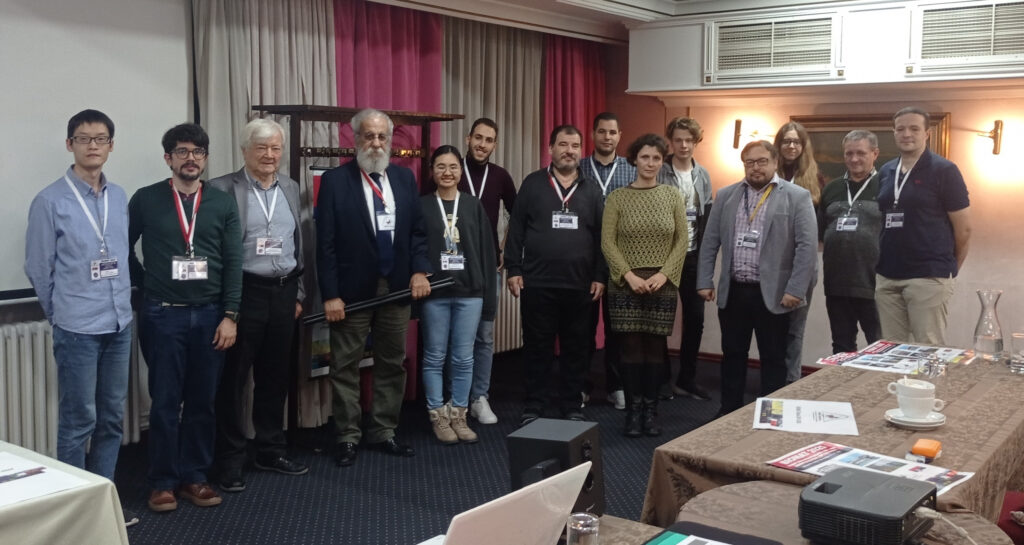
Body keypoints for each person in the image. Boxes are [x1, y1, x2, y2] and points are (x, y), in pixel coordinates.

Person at [24, 109, 138, 527]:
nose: (93, 146)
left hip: (119, 323)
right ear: (69, 144)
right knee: (77, 422)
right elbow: (39, 268)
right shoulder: (49, 201)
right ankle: (74, 516)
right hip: (77, 328)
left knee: (111, 419)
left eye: (101, 138)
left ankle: (102, 507)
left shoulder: (119, 196)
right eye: (84, 138)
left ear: (111, 145)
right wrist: (61, 314)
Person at [128, 123, 243, 512]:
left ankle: (195, 477)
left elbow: (233, 262)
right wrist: (146, 283)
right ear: (168, 158)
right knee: (164, 401)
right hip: (163, 315)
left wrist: (230, 315)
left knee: (201, 401)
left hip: (211, 316)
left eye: (197, 152)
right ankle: (162, 482)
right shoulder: (146, 199)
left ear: (205, 158)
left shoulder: (222, 203)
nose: (190, 158)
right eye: (182, 151)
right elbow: (123, 246)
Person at [316, 108, 432, 467]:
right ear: (356, 139)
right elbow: (325, 243)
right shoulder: (335, 181)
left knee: (392, 362)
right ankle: (348, 436)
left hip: (397, 288)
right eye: (369, 135)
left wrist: (420, 271)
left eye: (383, 136)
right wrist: (330, 294)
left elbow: (417, 233)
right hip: (351, 292)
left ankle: (384, 430)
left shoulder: (404, 179)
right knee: (345, 365)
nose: (377, 143)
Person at [208, 118, 308, 493]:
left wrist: (298, 294)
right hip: (244, 292)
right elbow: (214, 251)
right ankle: (230, 459)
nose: (270, 155)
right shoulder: (221, 188)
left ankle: (270, 449)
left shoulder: (290, 186)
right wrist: (227, 308)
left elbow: (299, 243)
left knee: (274, 376)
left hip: (283, 292)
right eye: (262, 147)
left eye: (275, 148)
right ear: (244, 150)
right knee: (233, 381)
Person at [697, 141, 817, 417]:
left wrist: (796, 289)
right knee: (732, 355)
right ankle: (729, 411)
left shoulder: (797, 197)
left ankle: (771, 415)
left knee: (773, 358)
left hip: (774, 294)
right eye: (749, 162)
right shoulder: (726, 195)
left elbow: (807, 248)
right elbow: (710, 240)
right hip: (734, 291)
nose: (755, 167)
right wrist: (704, 280)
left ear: (775, 162)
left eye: (762, 161)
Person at [505, 124, 606, 426]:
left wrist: (600, 276)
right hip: (538, 282)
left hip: (580, 284)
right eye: (563, 144)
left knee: (577, 348)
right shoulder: (533, 183)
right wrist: (513, 268)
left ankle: (571, 404)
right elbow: (516, 228)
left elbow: (601, 236)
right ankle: (535, 404)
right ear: (550, 149)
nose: (569, 151)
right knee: (537, 347)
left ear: (580, 150)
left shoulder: (591, 189)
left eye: (575, 146)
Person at [418, 118, 516, 425]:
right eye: (478, 138)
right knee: (446, 342)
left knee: (483, 337)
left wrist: (502, 249)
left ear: (494, 144)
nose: (482, 144)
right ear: (468, 138)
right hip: (444, 273)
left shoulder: (499, 176)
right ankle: (449, 400)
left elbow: (517, 214)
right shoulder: (446, 172)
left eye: (489, 139)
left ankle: (478, 397)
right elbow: (423, 226)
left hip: (482, 269)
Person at [602, 134, 688, 437]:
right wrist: (628, 275)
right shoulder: (617, 198)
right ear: (634, 160)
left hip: (661, 284)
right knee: (629, 349)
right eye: (644, 157)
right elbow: (607, 242)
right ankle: (632, 412)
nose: (650, 163)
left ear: (662, 161)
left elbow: (682, 240)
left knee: (654, 349)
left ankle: (650, 413)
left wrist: (664, 274)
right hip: (626, 284)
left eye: (656, 158)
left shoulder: (672, 195)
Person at [419, 145, 497, 444]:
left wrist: (489, 301)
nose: (447, 172)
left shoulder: (473, 205)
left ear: (460, 171)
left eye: (453, 167)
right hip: (435, 294)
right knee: (434, 356)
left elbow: (487, 254)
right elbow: (416, 248)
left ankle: (459, 415)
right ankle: (437, 415)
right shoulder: (423, 206)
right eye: (441, 166)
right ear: (432, 171)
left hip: (470, 293)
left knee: (464, 358)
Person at [876, 107, 971, 345]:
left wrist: (949, 269)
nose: (906, 134)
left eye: (914, 129)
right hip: (887, 275)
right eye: (900, 129)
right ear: (894, 132)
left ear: (927, 133)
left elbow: (964, 230)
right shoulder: (887, 170)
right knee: (891, 350)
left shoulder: (945, 170)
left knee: (928, 349)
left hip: (928, 275)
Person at [579, 112, 636, 411]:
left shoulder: (631, 169)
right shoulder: (578, 168)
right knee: (583, 327)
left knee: (617, 328)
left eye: (612, 132)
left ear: (619, 135)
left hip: (620, 259)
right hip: (585, 258)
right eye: (601, 131)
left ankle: (616, 386)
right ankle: (582, 385)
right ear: (593, 134)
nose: (607, 137)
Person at [656, 116, 713, 401]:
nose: (683, 145)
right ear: (671, 141)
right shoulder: (660, 170)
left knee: (695, 320)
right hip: (663, 257)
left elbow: (706, 219)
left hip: (692, 256)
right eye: (678, 140)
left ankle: (686, 379)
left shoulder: (703, 175)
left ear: (696, 141)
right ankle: (662, 380)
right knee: (659, 320)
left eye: (689, 140)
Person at [819, 130, 883, 353]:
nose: (854, 159)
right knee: (841, 347)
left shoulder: (886, 186)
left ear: (875, 154)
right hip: (837, 284)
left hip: (875, 285)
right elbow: (821, 233)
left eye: (861, 153)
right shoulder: (831, 188)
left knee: (881, 347)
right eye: (849, 153)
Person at [773, 121, 823, 383]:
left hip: (803, 265)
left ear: (803, 146)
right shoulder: (770, 177)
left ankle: (790, 382)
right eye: (786, 141)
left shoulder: (815, 180)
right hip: (772, 264)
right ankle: (772, 380)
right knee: (772, 328)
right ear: (778, 145)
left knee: (795, 329)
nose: (791, 146)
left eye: (796, 141)